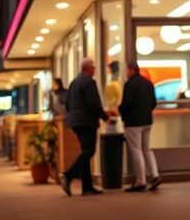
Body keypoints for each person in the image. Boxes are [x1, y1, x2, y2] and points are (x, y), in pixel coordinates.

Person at [62, 57, 113, 196]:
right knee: (89, 151)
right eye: (93, 67)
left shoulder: (74, 82)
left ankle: (87, 187)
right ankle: (69, 174)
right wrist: (105, 117)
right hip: (87, 122)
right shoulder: (89, 82)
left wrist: (73, 115)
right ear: (88, 68)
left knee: (85, 151)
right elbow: (93, 104)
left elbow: (66, 103)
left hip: (75, 122)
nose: (94, 70)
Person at [118, 59, 162, 192]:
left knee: (136, 149)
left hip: (133, 123)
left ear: (131, 70)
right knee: (146, 148)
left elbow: (127, 104)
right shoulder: (148, 84)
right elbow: (153, 103)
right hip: (147, 121)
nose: (125, 73)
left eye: (126, 70)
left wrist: (120, 110)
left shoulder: (129, 85)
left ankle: (140, 181)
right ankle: (155, 175)